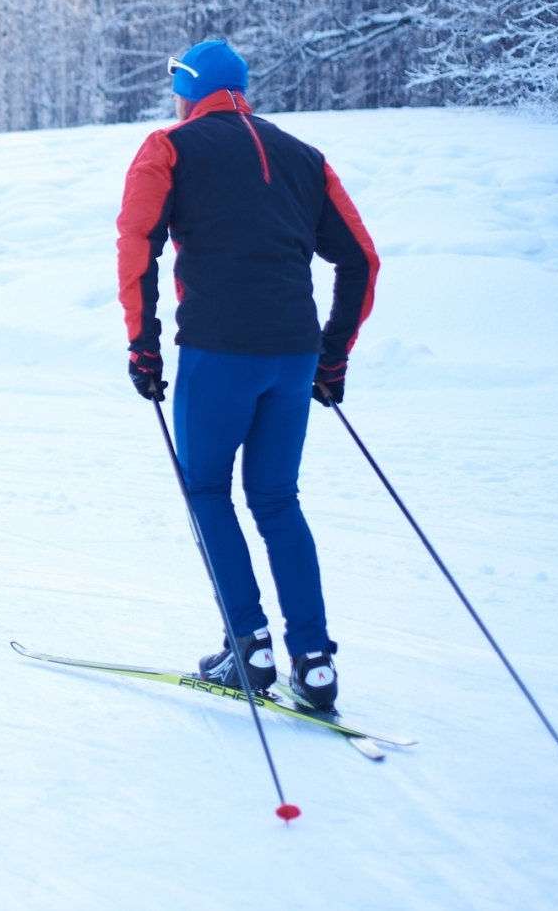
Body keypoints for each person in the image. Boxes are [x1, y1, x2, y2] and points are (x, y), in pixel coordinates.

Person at [116, 41, 380, 712]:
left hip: (218, 353)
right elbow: (362, 262)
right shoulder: (303, 157)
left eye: (177, 82)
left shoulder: (167, 147)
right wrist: (333, 355)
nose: (173, 94)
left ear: (191, 88)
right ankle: (314, 663)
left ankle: (249, 648)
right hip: (292, 356)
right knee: (275, 499)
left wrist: (143, 347)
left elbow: (137, 246)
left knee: (207, 490)